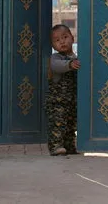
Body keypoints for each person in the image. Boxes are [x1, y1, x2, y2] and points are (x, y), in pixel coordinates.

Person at [46, 24, 80, 156]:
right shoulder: (56, 58)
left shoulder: (76, 58)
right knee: (58, 124)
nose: (62, 42)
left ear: (72, 37)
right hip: (57, 102)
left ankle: (70, 147)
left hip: (72, 100)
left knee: (71, 125)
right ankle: (55, 146)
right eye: (57, 40)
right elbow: (56, 67)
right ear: (53, 45)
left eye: (65, 37)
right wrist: (70, 65)